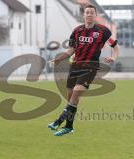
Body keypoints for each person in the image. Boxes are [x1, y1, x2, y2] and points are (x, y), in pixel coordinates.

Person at [47, 4, 119, 136]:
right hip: (75, 67)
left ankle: (58, 121)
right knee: (71, 100)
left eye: (92, 12)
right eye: (87, 12)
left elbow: (115, 46)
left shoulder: (103, 31)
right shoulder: (77, 31)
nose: (89, 15)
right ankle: (69, 127)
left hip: (90, 67)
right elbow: (71, 50)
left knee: (76, 92)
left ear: (95, 15)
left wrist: (114, 57)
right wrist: (59, 59)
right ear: (84, 15)